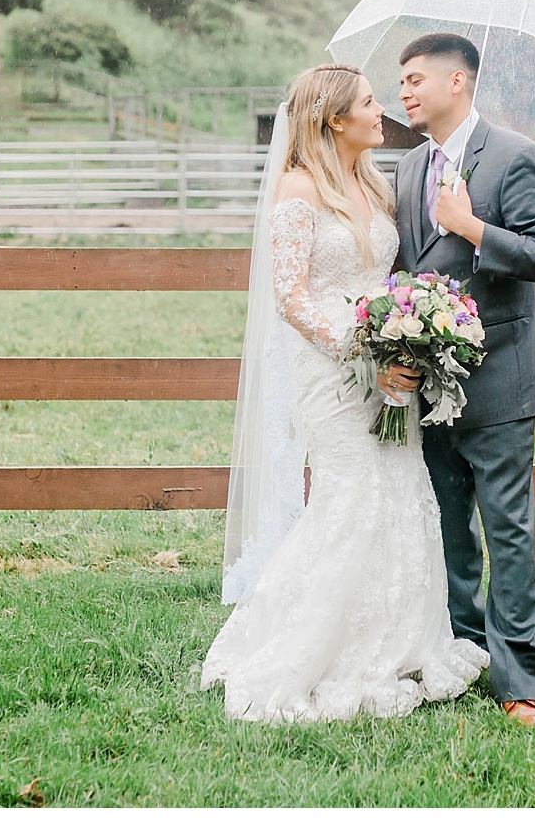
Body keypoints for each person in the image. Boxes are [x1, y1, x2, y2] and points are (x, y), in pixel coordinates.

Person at [201, 63, 487, 723]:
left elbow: (389, 275)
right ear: (334, 119)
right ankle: (306, 646)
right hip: (333, 367)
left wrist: (409, 336)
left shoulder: (372, 182)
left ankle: (400, 640)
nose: (380, 109)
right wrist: (365, 348)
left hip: (391, 365)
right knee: (351, 494)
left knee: (402, 487)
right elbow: (292, 295)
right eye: (367, 101)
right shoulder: (299, 188)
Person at [389, 32, 535, 727]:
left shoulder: (516, 156)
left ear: (456, 81)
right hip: (427, 381)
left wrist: (471, 226)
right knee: (447, 530)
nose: (404, 92)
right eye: (399, 83)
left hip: (498, 377)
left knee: (507, 530)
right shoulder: (407, 168)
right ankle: (461, 654)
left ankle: (518, 678)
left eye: (413, 79)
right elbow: (401, 267)